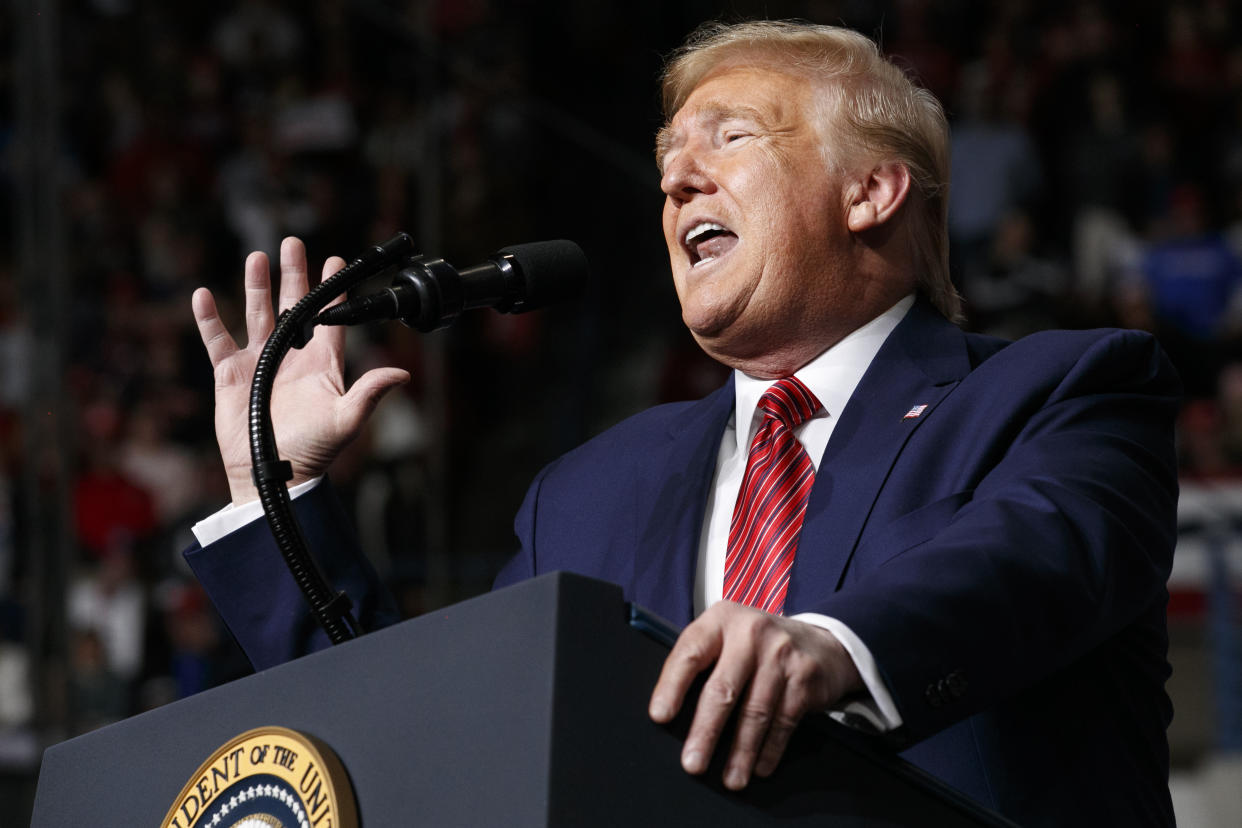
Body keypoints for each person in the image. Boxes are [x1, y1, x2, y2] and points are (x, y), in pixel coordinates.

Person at [186, 21, 1180, 827]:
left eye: (730, 138)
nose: (675, 181)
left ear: (871, 190)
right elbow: (426, 747)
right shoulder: (585, 494)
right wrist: (277, 490)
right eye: (667, 158)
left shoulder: (1066, 390)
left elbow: (1031, 559)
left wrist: (832, 645)